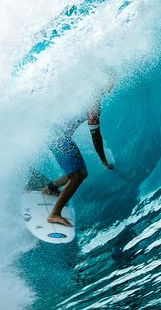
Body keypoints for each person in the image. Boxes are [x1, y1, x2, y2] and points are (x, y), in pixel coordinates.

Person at [42, 97, 112, 227]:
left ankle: (51, 187)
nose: (112, 83)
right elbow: (96, 136)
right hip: (58, 138)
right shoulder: (93, 105)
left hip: (55, 134)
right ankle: (54, 214)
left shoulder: (85, 90)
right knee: (77, 177)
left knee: (82, 173)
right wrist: (103, 160)